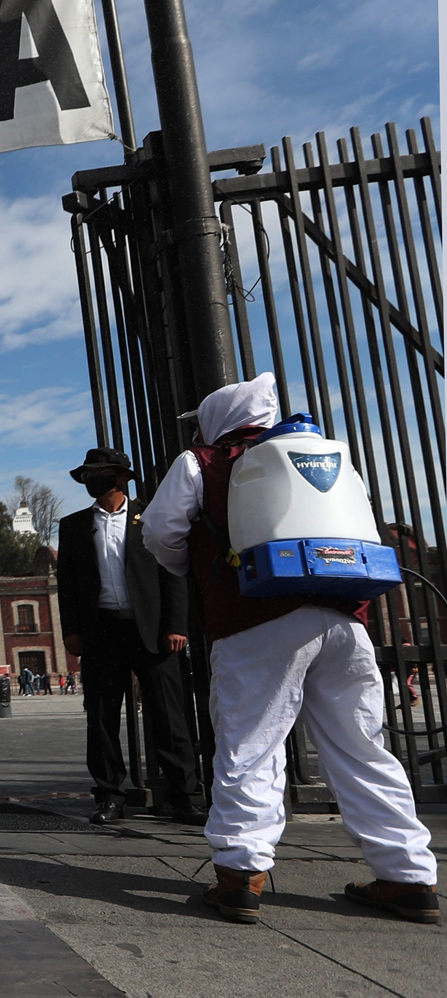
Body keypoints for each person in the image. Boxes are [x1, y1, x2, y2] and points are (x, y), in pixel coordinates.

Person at [143, 374, 438, 926]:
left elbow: (160, 532)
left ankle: (240, 875)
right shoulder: (326, 455)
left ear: (217, 417)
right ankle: (408, 877)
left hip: (257, 621)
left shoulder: (202, 460)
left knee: (250, 745)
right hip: (343, 619)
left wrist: (199, 570)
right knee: (363, 748)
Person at [57, 445, 203, 827]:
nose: (92, 479)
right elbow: (67, 583)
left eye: (100, 473)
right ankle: (109, 796)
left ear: (122, 477)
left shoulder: (152, 517)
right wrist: (71, 630)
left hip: (153, 630)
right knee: (102, 718)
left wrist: (177, 624)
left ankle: (184, 797)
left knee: (169, 715)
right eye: (87, 474)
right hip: (100, 630)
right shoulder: (73, 526)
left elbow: (173, 571)